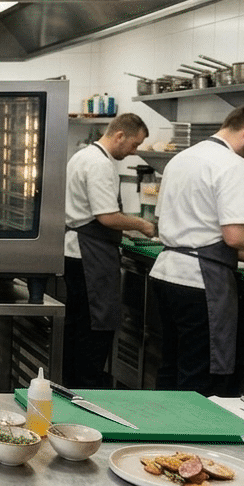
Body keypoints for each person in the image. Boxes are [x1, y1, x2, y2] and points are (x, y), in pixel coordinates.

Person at [151, 104, 244, 395]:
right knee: (200, 374)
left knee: (172, 365)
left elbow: (186, 225)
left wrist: (237, 253)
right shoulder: (233, 165)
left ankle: (160, 424)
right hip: (198, 282)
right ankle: (192, 427)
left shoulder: (181, 158)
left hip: (166, 274)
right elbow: (236, 235)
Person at [62, 113, 155, 388]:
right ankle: (85, 389)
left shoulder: (82, 156)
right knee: (93, 329)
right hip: (89, 255)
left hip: (75, 251)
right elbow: (107, 217)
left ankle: (70, 385)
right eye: (134, 144)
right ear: (119, 135)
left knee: (77, 328)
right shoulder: (100, 163)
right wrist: (142, 225)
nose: (134, 151)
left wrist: (123, 227)